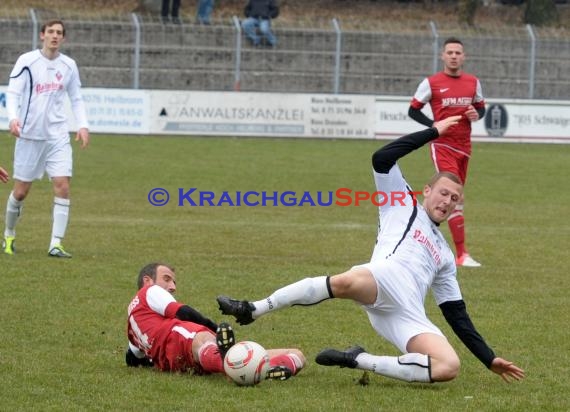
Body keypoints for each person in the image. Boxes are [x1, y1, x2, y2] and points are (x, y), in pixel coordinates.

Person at [217, 116, 525, 385]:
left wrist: (489, 358)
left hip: (406, 312)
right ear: (427, 191)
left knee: (448, 367)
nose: (447, 201)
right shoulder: (401, 201)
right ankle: (252, 309)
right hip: (382, 278)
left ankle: (358, 359)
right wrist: (433, 132)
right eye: (444, 192)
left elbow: (456, 313)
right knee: (348, 280)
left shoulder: (445, 255)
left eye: (454, 199)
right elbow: (382, 157)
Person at [126, 262, 305, 381]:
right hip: (180, 341)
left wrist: (154, 362)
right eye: (167, 279)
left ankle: (258, 367)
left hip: (184, 360)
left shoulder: (133, 326)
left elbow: (133, 358)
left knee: (296, 354)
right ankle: (234, 367)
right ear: (147, 280)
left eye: (173, 281)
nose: (173, 286)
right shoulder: (149, 291)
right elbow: (183, 312)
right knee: (199, 335)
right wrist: (215, 327)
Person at [4, 19, 90, 258]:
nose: (54, 36)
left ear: (64, 38)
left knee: (63, 186)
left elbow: (76, 98)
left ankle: (56, 243)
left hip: (57, 136)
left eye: (59, 33)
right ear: (42, 35)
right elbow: (12, 93)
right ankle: (9, 234)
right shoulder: (27, 61)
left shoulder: (69, 65)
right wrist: (13, 119)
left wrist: (82, 125)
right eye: (50, 31)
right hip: (30, 135)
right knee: (20, 192)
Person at [408, 37, 486, 268]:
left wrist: (476, 114)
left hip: (465, 147)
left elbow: (480, 109)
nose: (453, 56)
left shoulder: (473, 82)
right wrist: (434, 127)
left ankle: (419, 235)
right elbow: (413, 110)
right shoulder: (431, 83)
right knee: (453, 195)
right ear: (443, 56)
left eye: (457, 52)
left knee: (450, 197)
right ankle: (461, 254)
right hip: (442, 145)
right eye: (449, 52)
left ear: (464, 57)